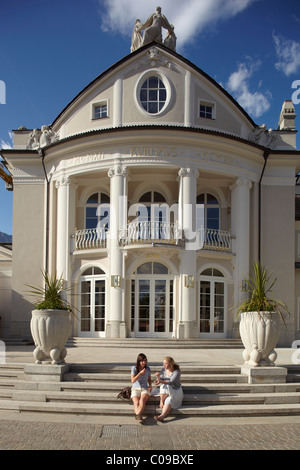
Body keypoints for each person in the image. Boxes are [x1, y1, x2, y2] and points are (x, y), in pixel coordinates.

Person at [154, 356, 183, 422]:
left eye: (166, 363)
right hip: (167, 392)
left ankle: (162, 414)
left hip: (175, 391)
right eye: (163, 363)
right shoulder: (163, 370)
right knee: (166, 395)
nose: (164, 365)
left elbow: (171, 382)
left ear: (170, 364)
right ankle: (161, 405)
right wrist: (158, 377)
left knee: (167, 388)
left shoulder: (176, 372)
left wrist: (160, 381)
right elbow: (161, 379)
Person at [131, 353, 152, 423]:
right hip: (135, 388)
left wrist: (150, 385)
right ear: (139, 361)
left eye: (145, 360)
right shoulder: (134, 368)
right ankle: (139, 416)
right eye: (142, 361)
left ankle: (138, 416)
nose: (144, 362)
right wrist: (140, 373)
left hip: (144, 388)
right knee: (136, 402)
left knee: (142, 400)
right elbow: (133, 380)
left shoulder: (148, 369)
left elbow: (149, 379)